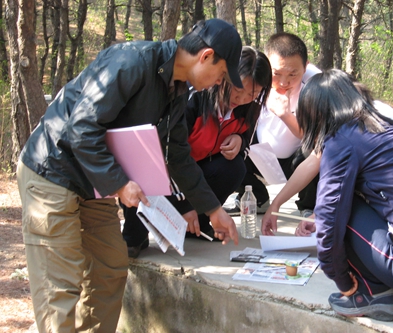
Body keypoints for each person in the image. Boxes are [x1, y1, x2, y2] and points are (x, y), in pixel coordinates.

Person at [16, 18, 241, 333]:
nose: (219, 83)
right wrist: (120, 183)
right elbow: (80, 128)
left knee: (110, 268)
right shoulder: (131, 62)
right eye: (221, 74)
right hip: (52, 171)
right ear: (205, 56)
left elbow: (177, 156)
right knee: (60, 288)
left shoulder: (176, 92)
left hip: (93, 184)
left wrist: (214, 210)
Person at [287, 69, 393, 321]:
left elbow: (329, 221)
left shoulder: (341, 141)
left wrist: (342, 281)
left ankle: (375, 294)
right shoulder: (386, 126)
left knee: (340, 210)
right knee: (353, 201)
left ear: (314, 113)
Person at [261, 79, 393, 237]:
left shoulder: (358, 126)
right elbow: (312, 161)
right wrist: (277, 204)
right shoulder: (368, 114)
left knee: (346, 211)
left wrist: (319, 218)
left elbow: (339, 196)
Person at [123, 46, 272, 248]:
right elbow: (169, 154)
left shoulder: (250, 109)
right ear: (224, 78)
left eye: (252, 94)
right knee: (136, 231)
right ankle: (134, 237)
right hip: (164, 171)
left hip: (197, 173)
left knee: (235, 167)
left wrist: (240, 140)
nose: (242, 99)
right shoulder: (195, 98)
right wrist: (183, 204)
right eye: (238, 89)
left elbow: (247, 146)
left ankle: (199, 225)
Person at [225, 32, 321, 216]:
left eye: (293, 74)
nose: (284, 82)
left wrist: (285, 114)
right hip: (260, 156)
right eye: (276, 74)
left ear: (306, 67)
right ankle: (258, 198)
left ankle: (308, 206)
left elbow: (317, 138)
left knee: (314, 150)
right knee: (229, 145)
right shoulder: (256, 80)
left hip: (295, 161)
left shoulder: (315, 85)